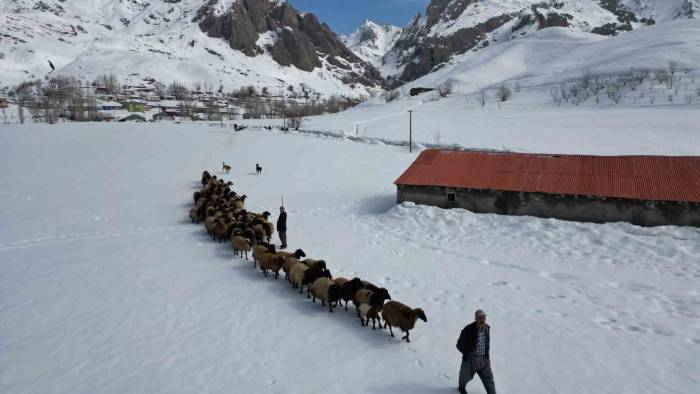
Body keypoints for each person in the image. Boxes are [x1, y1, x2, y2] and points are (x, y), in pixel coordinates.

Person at [456, 309, 496, 394]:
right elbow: (459, 345)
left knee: (489, 379)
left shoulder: (487, 328)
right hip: (471, 359)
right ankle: (461, 388)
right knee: (464, 378)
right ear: (476, 318)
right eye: (480, 318)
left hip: (484, 359)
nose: (482, 320)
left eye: (484, 317)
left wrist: (487, 357)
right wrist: (467, 353)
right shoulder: (468, 329)